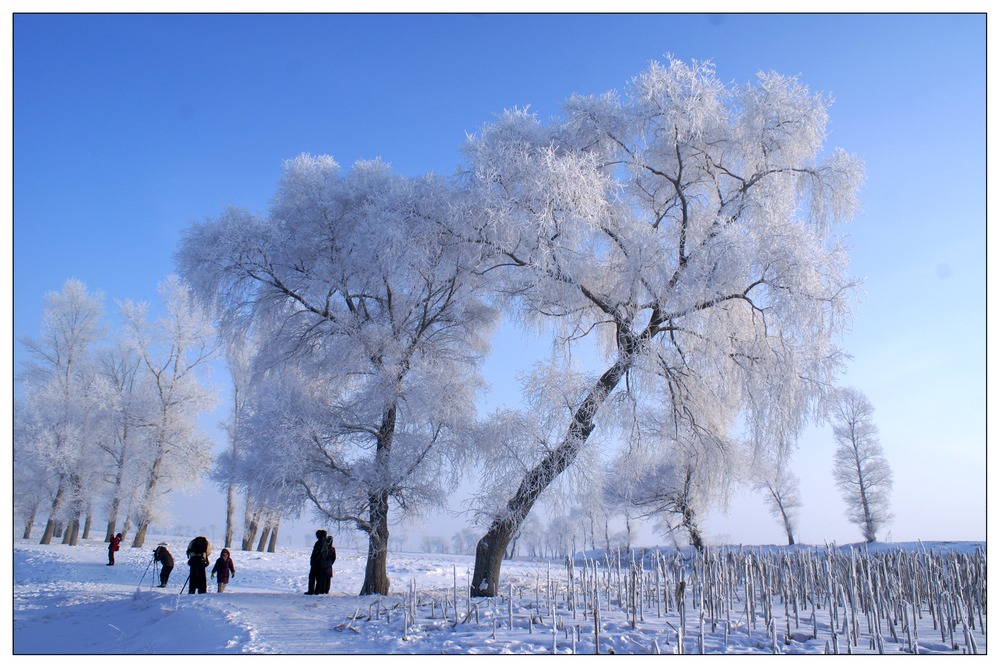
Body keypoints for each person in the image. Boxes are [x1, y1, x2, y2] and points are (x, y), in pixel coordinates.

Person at [306, 529, 328, 595]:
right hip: (322, 563)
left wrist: (314, 560)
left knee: (312, 577)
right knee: (319, 578)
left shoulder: (319, 542)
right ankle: (317, 591)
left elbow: (316, 553)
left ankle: (311, 591)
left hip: (317, 563)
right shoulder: (325, 542)